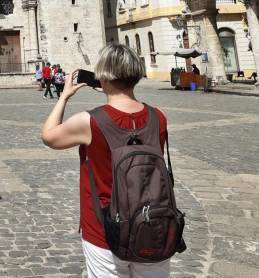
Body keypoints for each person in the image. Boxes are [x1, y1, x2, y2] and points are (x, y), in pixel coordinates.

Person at [41, 44, 171, 277]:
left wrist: (64, 97)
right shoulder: (158, 117)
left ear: (103, 76)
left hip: (104, 229)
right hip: (152, 224)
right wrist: (114, 91)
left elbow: (49, 136)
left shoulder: (90, 121)